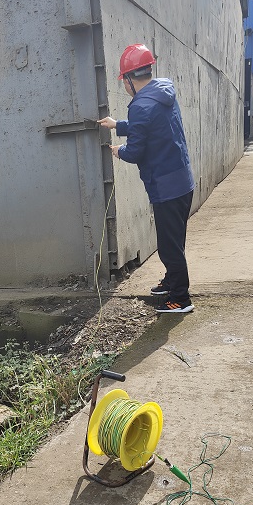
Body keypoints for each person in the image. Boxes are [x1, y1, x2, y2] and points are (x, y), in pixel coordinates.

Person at [98, 44, 195, 314]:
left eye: (123, 80)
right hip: (182, 181)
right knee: (174, 240)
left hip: (166, 187)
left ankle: (181, 299)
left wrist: (119, 151)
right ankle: (171, 281)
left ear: (130, 79)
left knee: (169, 246)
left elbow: (136, 150)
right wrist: (118, 124)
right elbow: (151, 126)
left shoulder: (141, 106)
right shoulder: (163, 91)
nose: (124, 85)